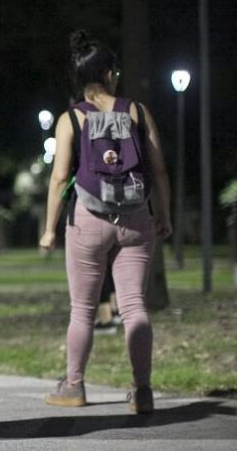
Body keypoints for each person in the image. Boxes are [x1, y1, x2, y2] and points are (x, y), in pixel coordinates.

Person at [39, 30, 171, 414]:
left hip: (89, 219)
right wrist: (162, 214)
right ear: (111, 74)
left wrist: (49, 229)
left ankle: (74, 386)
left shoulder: (71, 119)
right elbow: (159, 170)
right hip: (135, 218)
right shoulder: (137, 112)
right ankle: (142, 391)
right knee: (134, 306)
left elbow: (60, 177)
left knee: (82, 309)